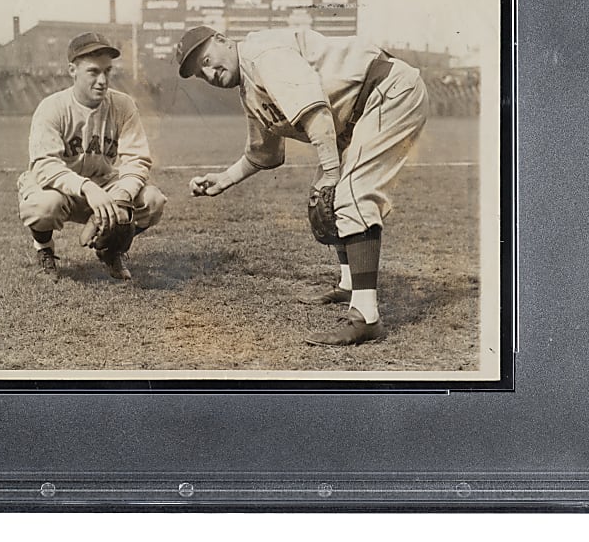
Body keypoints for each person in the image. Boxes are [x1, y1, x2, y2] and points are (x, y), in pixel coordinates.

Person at [175, 25, 428, 345]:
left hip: (387, 90)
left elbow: (316, 114)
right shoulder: (250, 88)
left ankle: (366, 317)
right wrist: (224, 180)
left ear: (223, 41)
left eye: (207, 59)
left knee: (349, 195)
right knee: (325, 198)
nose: (209, 72)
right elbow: (265, 154)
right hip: (357, 114)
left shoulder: (263, 54)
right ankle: (350, 283)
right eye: (201, 73)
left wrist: (333, 177)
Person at [18, 32, 166, 282]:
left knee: (153, 201)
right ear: (72, 70)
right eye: (93, 71)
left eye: (107, 71)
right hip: (60, 189)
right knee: (44, 207)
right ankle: (43, 248)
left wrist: (121, 198)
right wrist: (86, 188)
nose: (102, 80)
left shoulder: (123, 105)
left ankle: (111, 249)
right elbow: (45, 165)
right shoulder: (52, 107)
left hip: (105, 185)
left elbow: (137, 160)